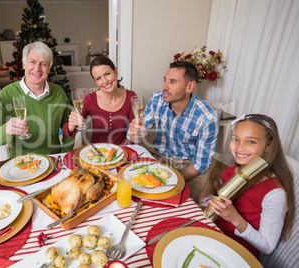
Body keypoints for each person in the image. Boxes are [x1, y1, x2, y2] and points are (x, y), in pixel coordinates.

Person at [198, 114, 295, 257]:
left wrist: (234, 218)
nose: (239, 148)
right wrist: (205, 203)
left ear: (268, 146)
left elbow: (267, 247)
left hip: (237, 251)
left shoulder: (274, 193)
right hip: (210, 234)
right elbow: (208, 197)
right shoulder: (228, 167)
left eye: (251, 142)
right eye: (235, 139)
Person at [128, 61, 219, 200]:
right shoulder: (157, 99)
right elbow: (138, 136)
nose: (165, 87)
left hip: (190, 165)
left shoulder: (207, 118)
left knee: (183, 201)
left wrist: (171, 181)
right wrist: (134, 133)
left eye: (173, 82)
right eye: (165, 80)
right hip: (159, 158)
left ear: (190, 86)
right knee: (136, 189)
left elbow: (201, 163)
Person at [0, 41, 74, 157]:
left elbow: (69, 128)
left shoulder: (58, 92)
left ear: (49, 69)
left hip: (52, 161)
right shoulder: (7, 93)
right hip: (21, 164)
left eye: (43, 64)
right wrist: (6, 130)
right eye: (32, 62)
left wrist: (64, 155)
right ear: (24, 64)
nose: (37, 68)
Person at [62, 56, 136, 145]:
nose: (105, 81)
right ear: (95, 81)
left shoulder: (131, 97)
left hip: (124, 152)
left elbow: (135, 134)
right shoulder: (90, 99)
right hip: (98, 154)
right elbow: (66, 132)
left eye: (107, 74)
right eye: (98, 78)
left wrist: (138, 130)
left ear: (116, 72)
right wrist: (72, 124)